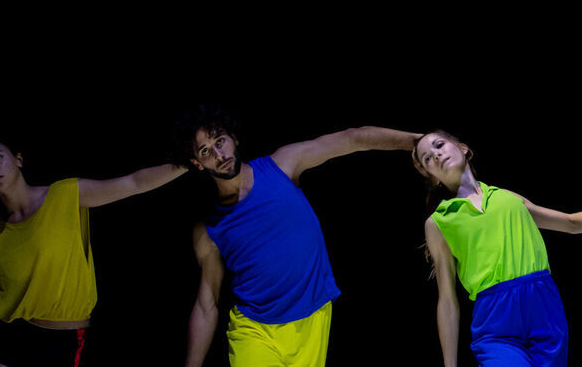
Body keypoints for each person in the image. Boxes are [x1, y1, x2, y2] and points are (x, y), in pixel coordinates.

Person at [172, 105, 420, 367]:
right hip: (253, 330)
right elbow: (206, 304)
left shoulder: (282, 165)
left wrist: (417, 140)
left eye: (220, 141)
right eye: (205, 151)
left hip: (311, 321)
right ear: (197, 163)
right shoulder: (208, 227)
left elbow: (352, 138)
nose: (218, 154)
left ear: (234, 137)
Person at [413, 130, 582, 367]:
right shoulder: (438, 222)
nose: (436, 155)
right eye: (428, 158)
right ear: (430, 176)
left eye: (439, 145)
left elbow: (570, 223)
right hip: (496, 319)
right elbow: (448, 299)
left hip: (544, 307)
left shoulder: (507, 198)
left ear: (463, 148)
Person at [0, 138, 186, 367]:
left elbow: (133, 183)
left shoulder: (65, 195)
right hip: (14, 338)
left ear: (18, 159)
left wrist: (186, 164)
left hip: (63, 340)